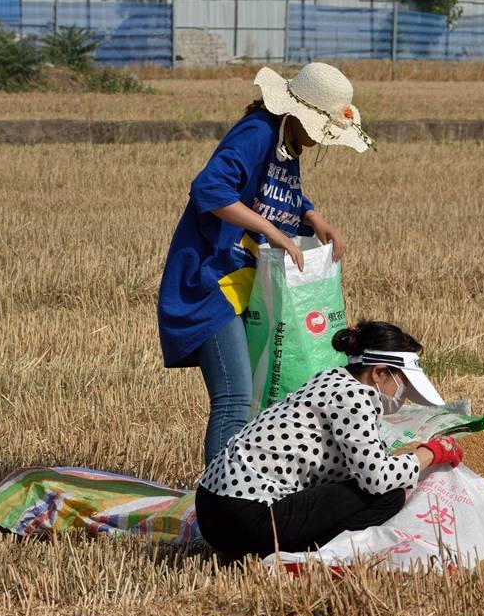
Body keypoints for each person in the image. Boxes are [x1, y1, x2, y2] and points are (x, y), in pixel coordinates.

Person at [157, 63, 373, 466]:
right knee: (235, 397)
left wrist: (314, 218)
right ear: (296, 113)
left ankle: (238, 495)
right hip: (208, 284)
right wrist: (274, 234)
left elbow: (282, 194)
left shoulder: (286, 143)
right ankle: (220, 507)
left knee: (254, 401)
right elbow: (210, 189)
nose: (320, 141)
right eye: (320, 129)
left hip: (242, 285)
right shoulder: (258, 133)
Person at [195, 321, 464, 558]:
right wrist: (431, 453)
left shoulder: (331, 379)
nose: (404, 396)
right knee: (389, 496)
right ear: (379, 373)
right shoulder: (355, 399)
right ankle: (306, 553)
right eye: (403, 383)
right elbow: (377, 479)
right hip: (244, 516)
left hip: (212, 508)